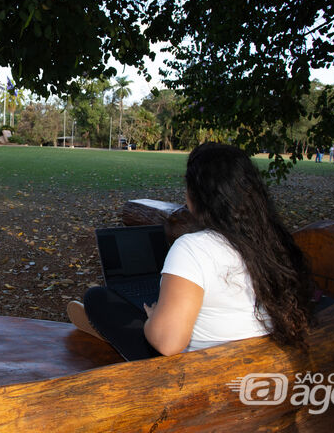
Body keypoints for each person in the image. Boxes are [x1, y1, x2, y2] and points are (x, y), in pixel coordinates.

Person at [68, 143, 314, 361]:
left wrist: (153, 319)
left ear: (197, 195)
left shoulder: (193, 248)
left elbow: (168, 344)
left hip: (200, 375)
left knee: (98, 298)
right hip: (257, 358)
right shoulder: (275, 242)